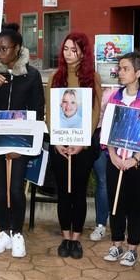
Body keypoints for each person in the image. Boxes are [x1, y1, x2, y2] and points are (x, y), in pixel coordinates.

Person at [0, 24, 45, 258]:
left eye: (4, 49)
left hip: (20, 143)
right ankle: (4, 231)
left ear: (17, 48)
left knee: (15, 190)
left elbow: (37, 112)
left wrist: (21, 146)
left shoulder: (31, 75)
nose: (0, 53)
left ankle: (17, 234)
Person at [102, 53, 140, 267]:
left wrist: (135, 159)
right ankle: (116, 243)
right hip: (115, 160)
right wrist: (113, 155)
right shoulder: (114, 97)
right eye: (120, 68)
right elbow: (107, 130)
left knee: (135, 206)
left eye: (125, 68)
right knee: (115, 204)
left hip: (139, 164)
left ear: (138, 73)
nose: (120, 72)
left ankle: (132, 248)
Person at [47, 33, 102, 259]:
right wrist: (57, 140)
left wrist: (82, 142)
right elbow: (50, 111)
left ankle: (76, 238)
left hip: (83, 148)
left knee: (78, 192)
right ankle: (65, 236)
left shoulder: (92, 77)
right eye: (66, 49)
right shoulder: (55, 77)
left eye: (74, 50)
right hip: (60, 145)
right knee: (64, 193)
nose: (68, 54)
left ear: (83, 52)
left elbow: (95, 111)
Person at [89, 87, 117, 242]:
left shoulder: (118, 90)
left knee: (103, 181)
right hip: (84, 134)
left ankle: (101, 224)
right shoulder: (87, 80)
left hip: (105, 137)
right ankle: (73, 224)